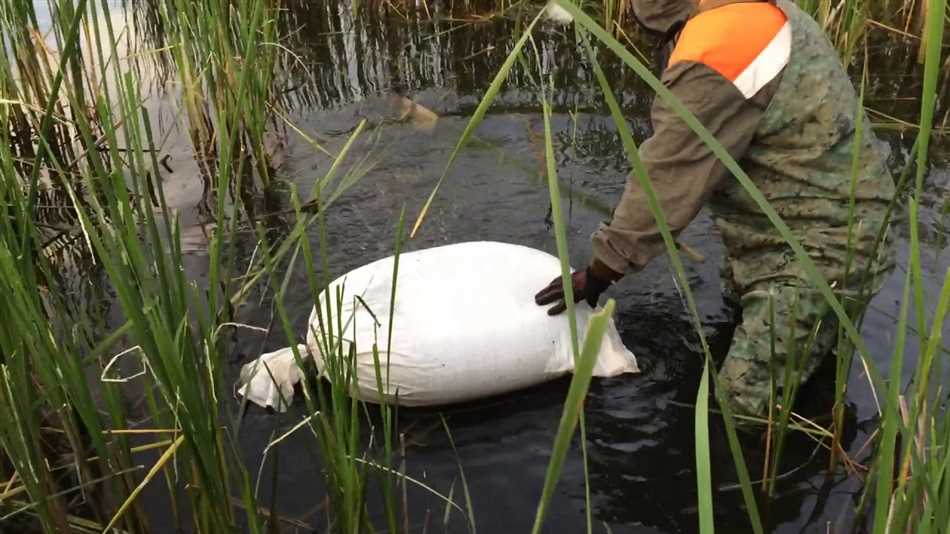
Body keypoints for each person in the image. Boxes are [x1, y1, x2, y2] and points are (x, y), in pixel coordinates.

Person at [534, 0, 895, 417]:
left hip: (822, 252)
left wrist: (597, 274)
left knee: (741, 406)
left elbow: (665, 181)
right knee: (789, 354)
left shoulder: (717, 50)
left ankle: (775, 472)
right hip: (798, 226)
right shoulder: (756, 9)